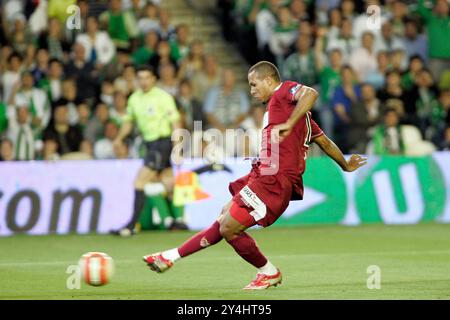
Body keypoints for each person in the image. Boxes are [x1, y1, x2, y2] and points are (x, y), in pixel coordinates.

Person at [142, 61, 367, 290]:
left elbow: (311, 93)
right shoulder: (293, 115)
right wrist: (345, 164)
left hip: (276, 179)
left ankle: (268, 272)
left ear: (269, 80)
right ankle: (169, 257)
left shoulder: (283, 92)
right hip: (261, 174)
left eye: (254, 84)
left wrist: (289, 124)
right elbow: (324, 141)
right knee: (224, 219)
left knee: (229, 226)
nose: (251, 90)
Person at [110, 65, 184, 236]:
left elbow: (175, 122)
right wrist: (119, 138)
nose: (143, 81)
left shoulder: (163, 97)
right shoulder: (134, 99)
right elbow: (128, 122)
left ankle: (131, 226)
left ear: (153, 79)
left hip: (162, 143)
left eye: (147, 77)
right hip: (150, 144)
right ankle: (178, 221)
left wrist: (177, 148)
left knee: (139, 182)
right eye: (140, 78)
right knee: (168, 182)